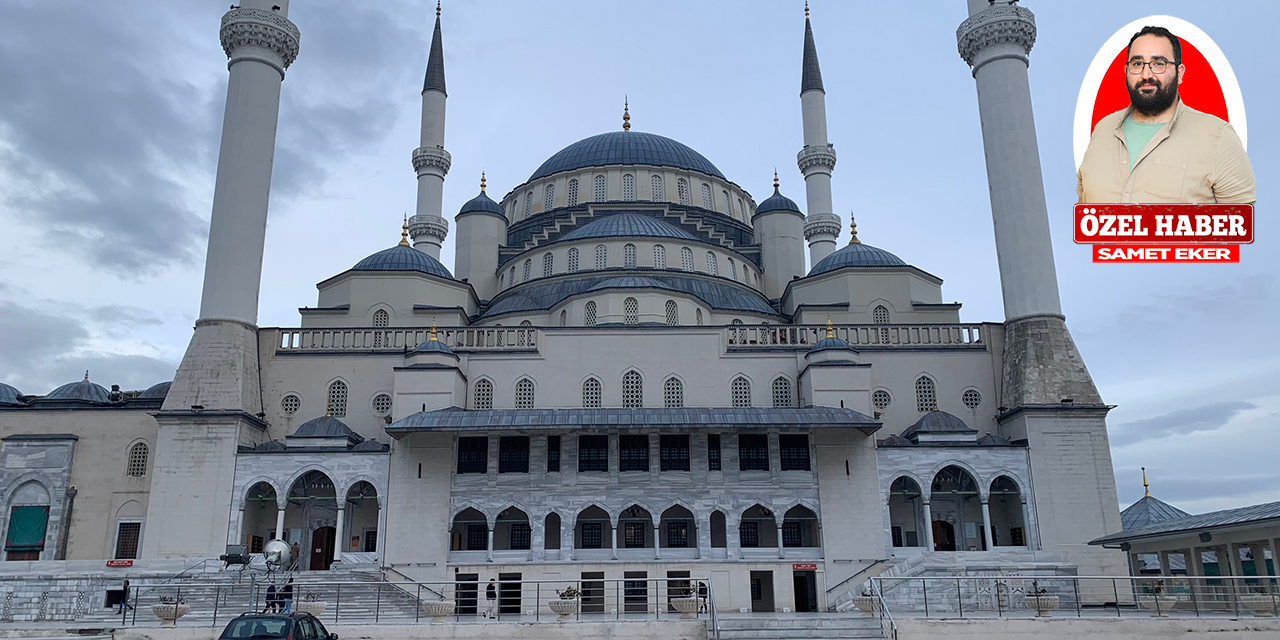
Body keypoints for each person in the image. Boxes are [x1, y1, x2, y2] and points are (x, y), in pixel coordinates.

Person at [1077, 25, 1254, 204]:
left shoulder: (1218, 137)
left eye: (1158, 64)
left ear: (1179, 73)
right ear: (1126, 72)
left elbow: (1240, 226)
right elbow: (1083, 213)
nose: (1146, 74)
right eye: (1137, 64)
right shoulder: (1102, 130)